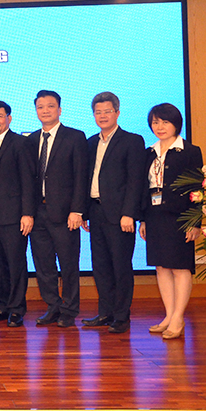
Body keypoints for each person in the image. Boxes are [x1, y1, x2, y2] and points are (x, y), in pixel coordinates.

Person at [83, 91, 145, 334]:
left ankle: (121, 316)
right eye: (98, 112)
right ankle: (105, 312)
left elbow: (135, 180)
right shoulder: (90, 143)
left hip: (120, 216)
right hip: (96, 211)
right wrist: (85, 212)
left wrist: (129, 213)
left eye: (107, 111)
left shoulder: (132, 141)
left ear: (117, 113)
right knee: (100, 266)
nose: (102, 116)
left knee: (120, 266)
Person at [139, 103, 202, 340]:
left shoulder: (190, 151)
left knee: (180, 267)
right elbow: (145, 188)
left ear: (176, 123)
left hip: (181, 217)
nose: (160, 127)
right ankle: (168, 315)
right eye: (155, 122)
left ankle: (178, 317)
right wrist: (143, 219)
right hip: (155, 217)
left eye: (165, 122)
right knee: (161, 267)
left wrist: (195, 221)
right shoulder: (149, 152)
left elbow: (197, 187)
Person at [27, 90, 89, 328]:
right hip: (38, 212)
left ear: (59, 110)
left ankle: (69, 310)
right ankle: (52, 306)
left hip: (65, 214)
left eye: (50, 106)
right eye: (40, 107)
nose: (45, 110)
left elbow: (81, 176)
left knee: (68, 264)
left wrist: (77, 210)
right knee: (44, 265)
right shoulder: (31, 140)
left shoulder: (75, 137)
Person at [0, 100, 37, 328]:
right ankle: (3, 305)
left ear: (9, 118)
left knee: (15, 263)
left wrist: (27, 213)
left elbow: (28, 181)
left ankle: (16, 309)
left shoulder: (21, 144)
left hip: (14, 216)